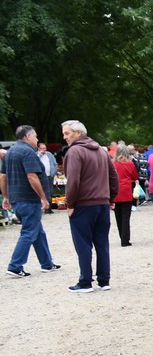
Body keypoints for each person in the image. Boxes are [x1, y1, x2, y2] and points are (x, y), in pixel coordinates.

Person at [62, 119, 118, 293]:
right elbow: (113, 176)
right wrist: (111, 197)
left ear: (78, 133)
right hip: (102, 203)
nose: (65, 137)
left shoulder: (75, 151)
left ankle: (85, 281)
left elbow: (73, 180)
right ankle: (104, 280)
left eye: (67, 133)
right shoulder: (101, 151)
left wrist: (70, 203)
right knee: (102, 242)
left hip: (83, 204)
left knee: (83, 244)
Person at [2, 125, 60, 277]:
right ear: (27, 136)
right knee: (28, 232)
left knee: (37, 231)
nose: (37, 139)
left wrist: (6, 196)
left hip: (16, 198)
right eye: (35, 136)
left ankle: (47, 263)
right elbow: (32, 176)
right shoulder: (28, 152)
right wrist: (43, 197)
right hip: (28, 198)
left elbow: (3, 176)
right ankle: (15, 265)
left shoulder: (10, 152)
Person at [111, 143, 139, 247]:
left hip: (115, 192)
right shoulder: (130, 164)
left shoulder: (113, 164)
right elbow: (135, 176)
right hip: (126, 191)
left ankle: (121, 236)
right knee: (126, 217)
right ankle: (125, 239)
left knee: (118, 216)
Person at [37, 142, 58, 213]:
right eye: (42, 148)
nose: (44, 150)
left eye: (45, 148)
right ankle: (42, 207)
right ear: (38, 148)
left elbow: (55, 163)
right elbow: (34, 163)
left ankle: (49, 208)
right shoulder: (36, 155)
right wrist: (39, 155)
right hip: (41, 176)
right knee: (42, 192)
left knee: (50, 192)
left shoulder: (49, 154)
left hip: (50, 176)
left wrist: (54, 172)